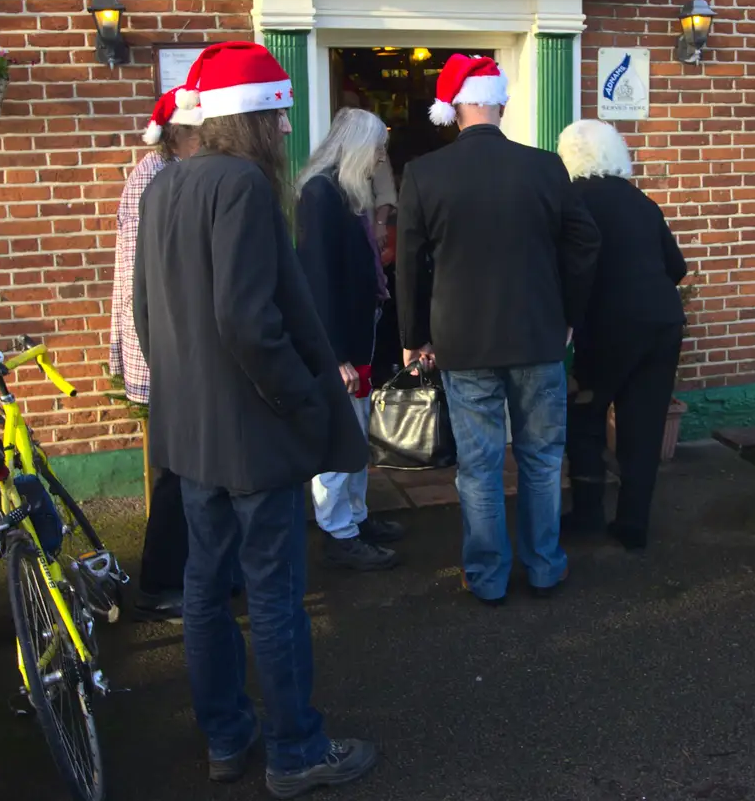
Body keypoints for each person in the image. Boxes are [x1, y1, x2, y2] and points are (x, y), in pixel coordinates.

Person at [134, 41, 379, 797]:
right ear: (255, 120)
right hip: (251, 433)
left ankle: (227, 737)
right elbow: (248, 321)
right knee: (272, 592)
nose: (284, 133)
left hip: (191, 431)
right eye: (278, 118)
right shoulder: (242, 186)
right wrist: (301, 400)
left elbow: (148, 316)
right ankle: (297, 751)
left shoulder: (163, 186)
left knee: (207, 586)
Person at [396, 54, 600, 606]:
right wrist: (567, 315)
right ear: (502, 105)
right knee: (540, 456)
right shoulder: (544, 167)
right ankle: (543, 567)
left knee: (479, 464)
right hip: (538, 335)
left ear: (454, 110)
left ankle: (486, 576)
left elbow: (409, 264)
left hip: (462, 342)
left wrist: (414, 337)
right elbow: (584, 243)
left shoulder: (423, 173)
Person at [556, 120, 687, 553]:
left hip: (608, 329)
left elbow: (569, 270)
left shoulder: (572, 201)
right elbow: (678, 268)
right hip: (662, 324)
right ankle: (633, 523)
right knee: (644, 425)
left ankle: (590, 512)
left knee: (586, 417)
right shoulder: (642, 202)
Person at [294, 107, 405, 572]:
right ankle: (338, 531)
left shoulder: (344, 192)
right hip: (340, 343)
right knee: (341, 437)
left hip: (359, 334)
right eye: (377, 147)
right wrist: (334, 353)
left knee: (357, 433)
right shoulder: (321, 195)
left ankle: (355, 517)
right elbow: (317, 279)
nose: (381, 156)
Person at [109, 86, 203, 622]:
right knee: (175, 473)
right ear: (186, 134)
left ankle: (183, 575)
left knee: (184, 470)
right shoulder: (158, 177)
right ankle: (162, 582)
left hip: (164, 343)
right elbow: (147, 278)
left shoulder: (157, 172)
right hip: (167, 347)